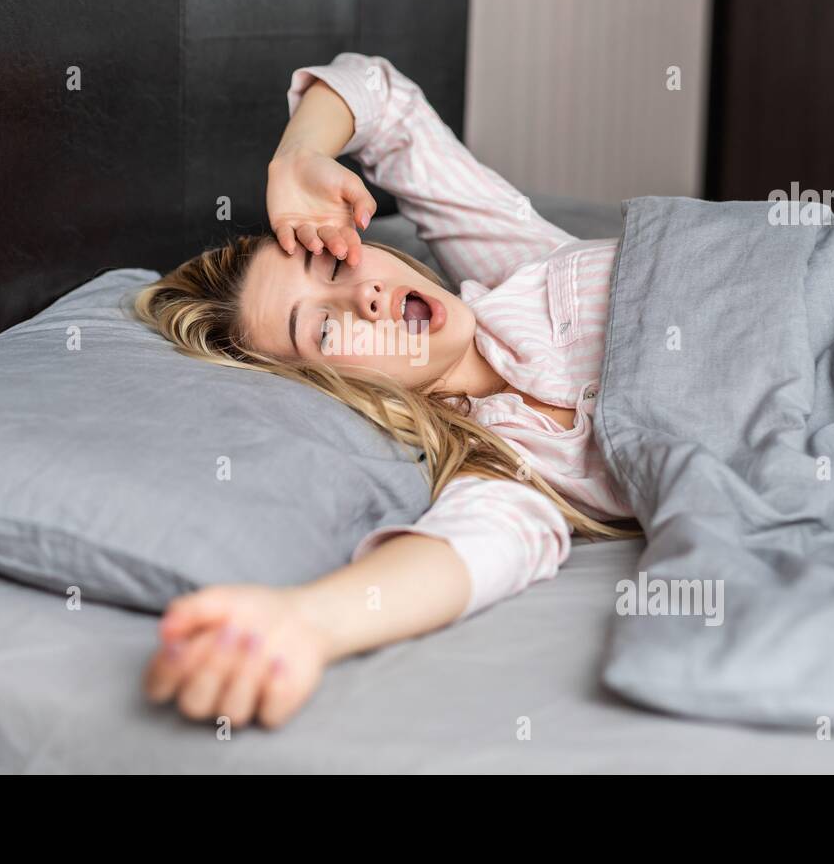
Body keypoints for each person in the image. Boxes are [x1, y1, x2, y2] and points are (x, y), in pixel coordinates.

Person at [137, 53, 638, 728]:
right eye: (322, 327)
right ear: (332, 390)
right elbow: (466, 554)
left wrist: (298, 156)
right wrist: (304, 622)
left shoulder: (517, 262)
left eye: (332, 261)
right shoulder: (508, 468)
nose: (364, 297)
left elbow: (389, 105)